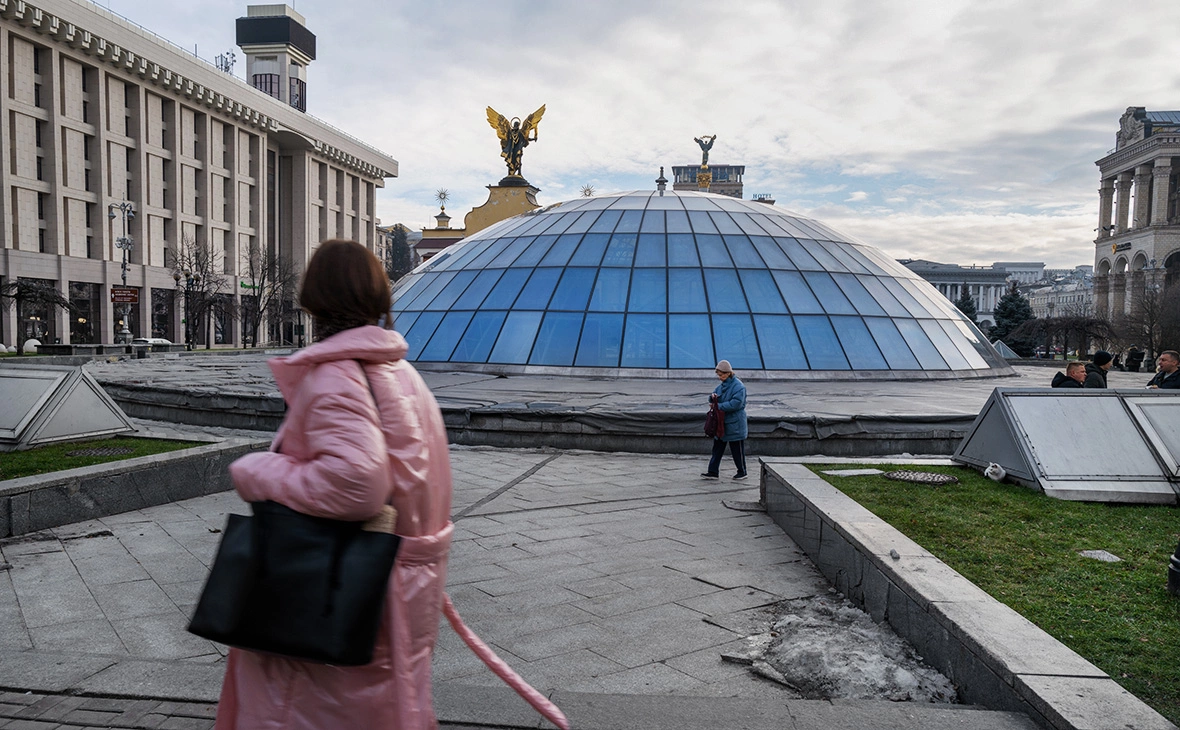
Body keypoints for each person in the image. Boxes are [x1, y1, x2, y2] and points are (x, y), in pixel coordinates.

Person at [216, 239, 454, 729]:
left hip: (338, 589)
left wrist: (256, 471)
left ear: (313, 298)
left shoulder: (337, 376)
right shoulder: (403, 374)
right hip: (397, 583)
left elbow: (354, 485)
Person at [701, 359, 748, 480]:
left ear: (728, 373)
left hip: (734, 424)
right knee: (717, 449)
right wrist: (712, 398)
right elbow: (714, 395)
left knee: (737, 450)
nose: (719, 377)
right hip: (721, 424)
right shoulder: (722, 386)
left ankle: (742, 471)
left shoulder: (739, 387)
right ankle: (712, 471)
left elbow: (736, 404)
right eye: (718, 375)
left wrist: (718, 406)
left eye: (721, 375)